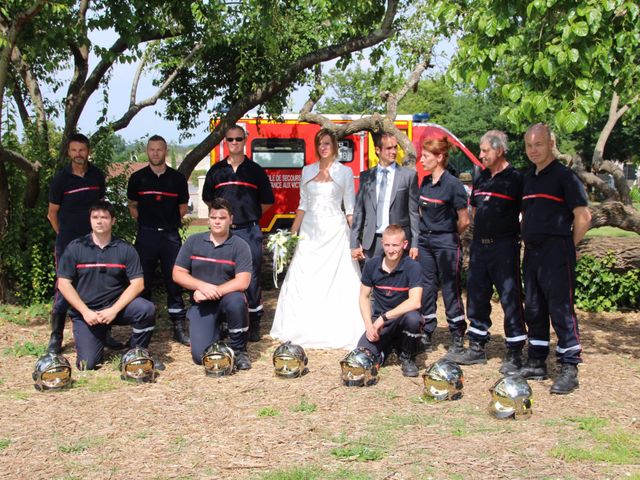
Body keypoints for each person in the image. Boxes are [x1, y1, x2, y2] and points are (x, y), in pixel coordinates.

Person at [270, 128, 364, 349]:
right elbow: (302, 205)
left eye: (327, 144)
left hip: (335, 230)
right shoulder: (307, 170)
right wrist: (291, 235)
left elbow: (350, 209)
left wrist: (355, 239)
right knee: (303, 276)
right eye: (320, 144)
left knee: (340, 280)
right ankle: (300, 326)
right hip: (310, 232)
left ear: (334, 147)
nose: (323, 147)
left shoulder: (345, 172)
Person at [519, 123, 591, 394]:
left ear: (551, 144)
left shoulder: (564, 177)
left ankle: (569, 367)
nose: (533, 150)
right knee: (534, 308)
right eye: (529, 145)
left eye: (538, 144)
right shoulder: (529, 178)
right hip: (533, 252)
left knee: (560, 309)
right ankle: (537, 361)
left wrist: (567, 247)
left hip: (557, 250)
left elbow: (583, 217)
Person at [448, 131, 527, 374]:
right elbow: (472, 212)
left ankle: (514, 351)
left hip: (504, 247)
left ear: (500, 150)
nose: (480, 155)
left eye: (485, 151)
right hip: (480, 247)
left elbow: (526, 215)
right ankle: (477, 346)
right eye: (480, 150)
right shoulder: (481, 178)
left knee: (509, 297)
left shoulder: (516, 179)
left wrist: (517, 238)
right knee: (476, 295)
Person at [47, 133, 123, 353]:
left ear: (88, 151)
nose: (78, 154)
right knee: (63, 287)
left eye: (82, 150)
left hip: (95, 241)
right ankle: (56, 338)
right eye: (74, 150)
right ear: (69, 152)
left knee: (102, 283)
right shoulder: (60, 179)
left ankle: (104, 333)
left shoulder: (97, 176)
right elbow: (52, 213)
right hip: (68, 242)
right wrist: (64, 235)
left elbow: (101, 208)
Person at [57, 201, 156, 370]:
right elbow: (64, 284)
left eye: (104, 217)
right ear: (89, 220)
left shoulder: (125, 248)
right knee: (87, 364)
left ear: (113, 221)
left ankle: (136, 351)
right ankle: (97, 336)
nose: (99, 221)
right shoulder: (76, 247)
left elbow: (138, 284)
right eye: (95, 217)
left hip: (115, 307)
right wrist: (85, 312)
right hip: (87, 312)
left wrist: (114, 310)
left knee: (146, 309)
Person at [202, 125, 274, 342]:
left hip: (248, 231)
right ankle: (226, 320)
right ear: (225, 141)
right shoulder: (216, 170)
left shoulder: (256, 170)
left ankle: (254, 320)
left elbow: (267, 202)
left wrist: (248, 216)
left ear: (245, 140)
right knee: (222, 275)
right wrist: (224, 221)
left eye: (238, 139)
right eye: (230, 139)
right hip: (223, 234)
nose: (234, 143)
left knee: (250, 278)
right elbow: (208, 199)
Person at [172, 198, 253, 370]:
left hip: (227, 299)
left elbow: (243, 281)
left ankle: (239, 350)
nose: (217, 221)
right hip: (202, 302)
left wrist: (212, 290)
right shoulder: (193, 242)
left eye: (222, 218)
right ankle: (218, 331)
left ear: (231, 219)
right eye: (213, 217)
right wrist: (201, 287)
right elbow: (178, 274)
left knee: (238, 301)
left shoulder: (240, 245)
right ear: (209, 219)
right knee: (200, 356)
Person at [127, 135, 190, 345]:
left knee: (175, 280)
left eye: (160, 149)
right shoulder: (137, 178)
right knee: (142, 280)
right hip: (147, 235)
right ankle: (143, 326)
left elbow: (182, 207)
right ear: (147, 151)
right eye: (152, 149)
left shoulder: (177, 179)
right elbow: (132, 205)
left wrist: (168, 222)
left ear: (165, 151)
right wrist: (147, 222)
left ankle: (178, 325)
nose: (156, 153)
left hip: (170, 235)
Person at [416, 136, 470, 357]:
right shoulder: (425, 183)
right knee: (427, 287)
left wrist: (447, 236)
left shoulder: (454, 185)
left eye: (426, 156)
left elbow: (464, 220)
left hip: (446, 242)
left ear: (439, 158)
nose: (421, 160)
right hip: (425, 242)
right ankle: (427, 330)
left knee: (450, 288)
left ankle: (457, 334)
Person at [356, 225, 423, 377]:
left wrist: (384, 317)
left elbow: (415, 302)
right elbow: (363, 296)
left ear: (405, 245)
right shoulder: (371, 265)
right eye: (387, 245)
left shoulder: (413, 267)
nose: (391, 250)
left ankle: (407, 356)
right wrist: (368, 325)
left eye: (395, 245)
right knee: (362, 356)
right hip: (380, 323)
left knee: (414, 318)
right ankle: (385, 351)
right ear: (382, 244)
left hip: (402, 320)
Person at [350, 132, 420, 260]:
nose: (393, 151)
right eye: (389, 148)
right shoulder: (366, 176)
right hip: (372, 242)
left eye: (395, 147)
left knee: (398, 280)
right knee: (372, 279)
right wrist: (354, 243)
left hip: (398, 242)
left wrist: (415, 244)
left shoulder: (408, 176)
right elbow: (359, 211)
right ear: (378, 150)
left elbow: (413, 213)